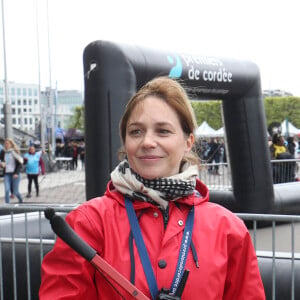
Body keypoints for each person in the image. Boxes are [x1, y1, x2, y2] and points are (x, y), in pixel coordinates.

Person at [39, 77, 265, 299]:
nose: (147, 142)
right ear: (125, 142)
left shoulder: (228, 230)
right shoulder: (88, 223)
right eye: (136, 131)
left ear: (188, 142)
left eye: (163, 131)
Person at [0, 138, 23, 204]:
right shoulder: (3, 152)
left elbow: (19, 164)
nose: (6, 145)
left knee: (15, 192)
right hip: (7, 174)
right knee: (7, 190)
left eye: (7, 143)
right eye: (5, 144)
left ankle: (21, 201)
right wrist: (1, 164)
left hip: (15, 174)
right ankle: (7, 205)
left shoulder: (14, 152)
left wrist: (16, 173)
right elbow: (2, 161)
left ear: (11, 144)